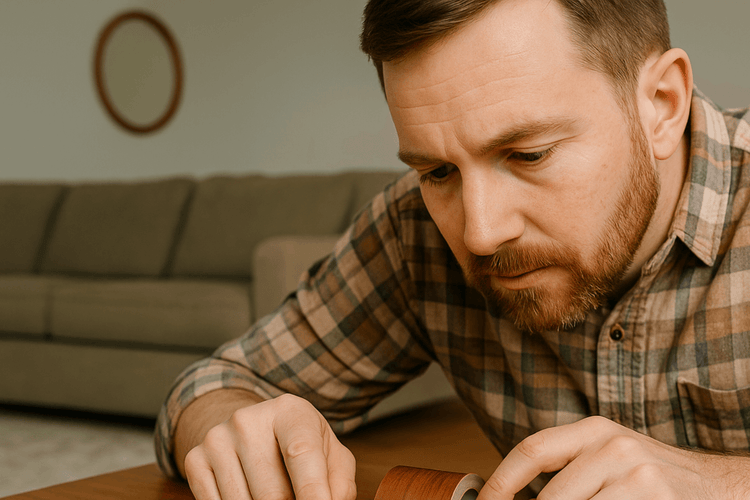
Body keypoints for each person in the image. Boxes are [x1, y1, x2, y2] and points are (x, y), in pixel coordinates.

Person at [155, 0, 750, 498]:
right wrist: (235, 431)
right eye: (438, 171)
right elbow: (215, 384)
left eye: (529, 154)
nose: (480, 233)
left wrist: (722, 484)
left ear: (662, 106)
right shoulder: (413, 232)